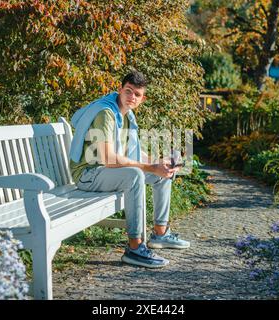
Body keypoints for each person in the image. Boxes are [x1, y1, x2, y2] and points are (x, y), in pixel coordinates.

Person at [69, 71, 190, 268]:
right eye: (128, 91)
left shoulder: (126, 115)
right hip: (88, 174)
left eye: (137, 94)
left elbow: (130, 153)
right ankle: (135, 248)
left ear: (143, 98)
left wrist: (158, 163)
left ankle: (160, 233)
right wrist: (149, 167)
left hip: (106, 173)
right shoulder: (106, 113)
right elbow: (108, 158)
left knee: (163, 174)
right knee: (135, 175)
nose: (131, 97)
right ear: (120, 89)